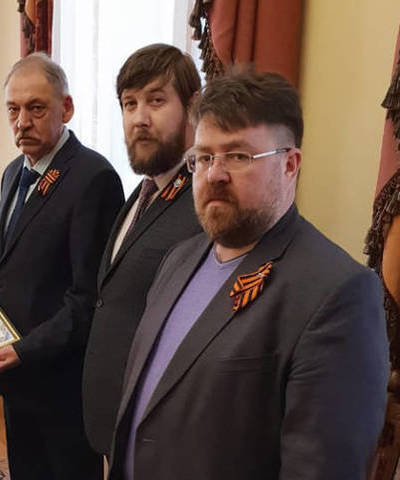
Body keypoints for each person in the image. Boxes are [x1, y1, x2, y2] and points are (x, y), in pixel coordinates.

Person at [108, 69, 389, 479]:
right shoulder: (179, 259)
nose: (215, 174)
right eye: (204, 157)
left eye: (238, 156)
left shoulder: (338, 293)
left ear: (290, 164)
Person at [0, 52, 124, 479]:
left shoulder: (93, 178)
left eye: (36, 108)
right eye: (13, 109)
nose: (22, 122)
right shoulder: (13, 173)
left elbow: (88, 299)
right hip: (18, 379)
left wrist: (23, 351)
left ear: (66, 108)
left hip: (61, 384)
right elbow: (26, 267)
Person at [82, 43, 204, 457]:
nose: (139, 118)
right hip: (114, 421)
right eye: (129, 104)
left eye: (156, 101)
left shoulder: (206, 202)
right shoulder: (141, 192)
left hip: (161, 434)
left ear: (193, 107)